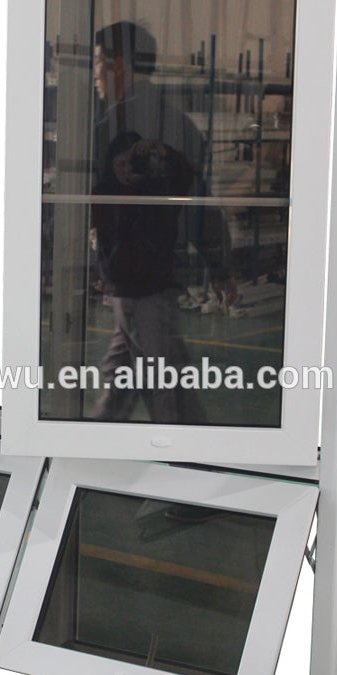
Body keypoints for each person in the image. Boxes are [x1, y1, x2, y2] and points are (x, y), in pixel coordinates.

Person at [89, 21, 208, 424]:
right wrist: (220, 262)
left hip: (138, 277)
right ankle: (99, 441)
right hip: (150, 273)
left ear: (118, 65)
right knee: (126, 373)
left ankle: (182, 452)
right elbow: (198, 199)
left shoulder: (113, 127)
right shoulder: (182, 123)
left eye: (98, 63)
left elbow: (106, 208)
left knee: (161, 380)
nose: (95, 75)